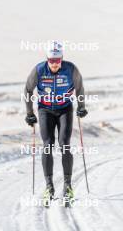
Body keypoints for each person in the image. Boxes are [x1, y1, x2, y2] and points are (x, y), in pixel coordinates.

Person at [24, 41, 87, 203]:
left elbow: (79, 88)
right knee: (48, 144)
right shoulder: (39, 70)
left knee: (64, 143)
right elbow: (28, 90)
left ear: (62, 59)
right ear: (47, 59)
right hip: (45, 110)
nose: (54, 64)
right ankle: (49, 186)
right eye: (51, 61)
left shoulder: (71, 69)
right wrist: (29, 113)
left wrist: (81, 106)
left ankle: (67, 186)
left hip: (65, 109)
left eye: (57, 61)